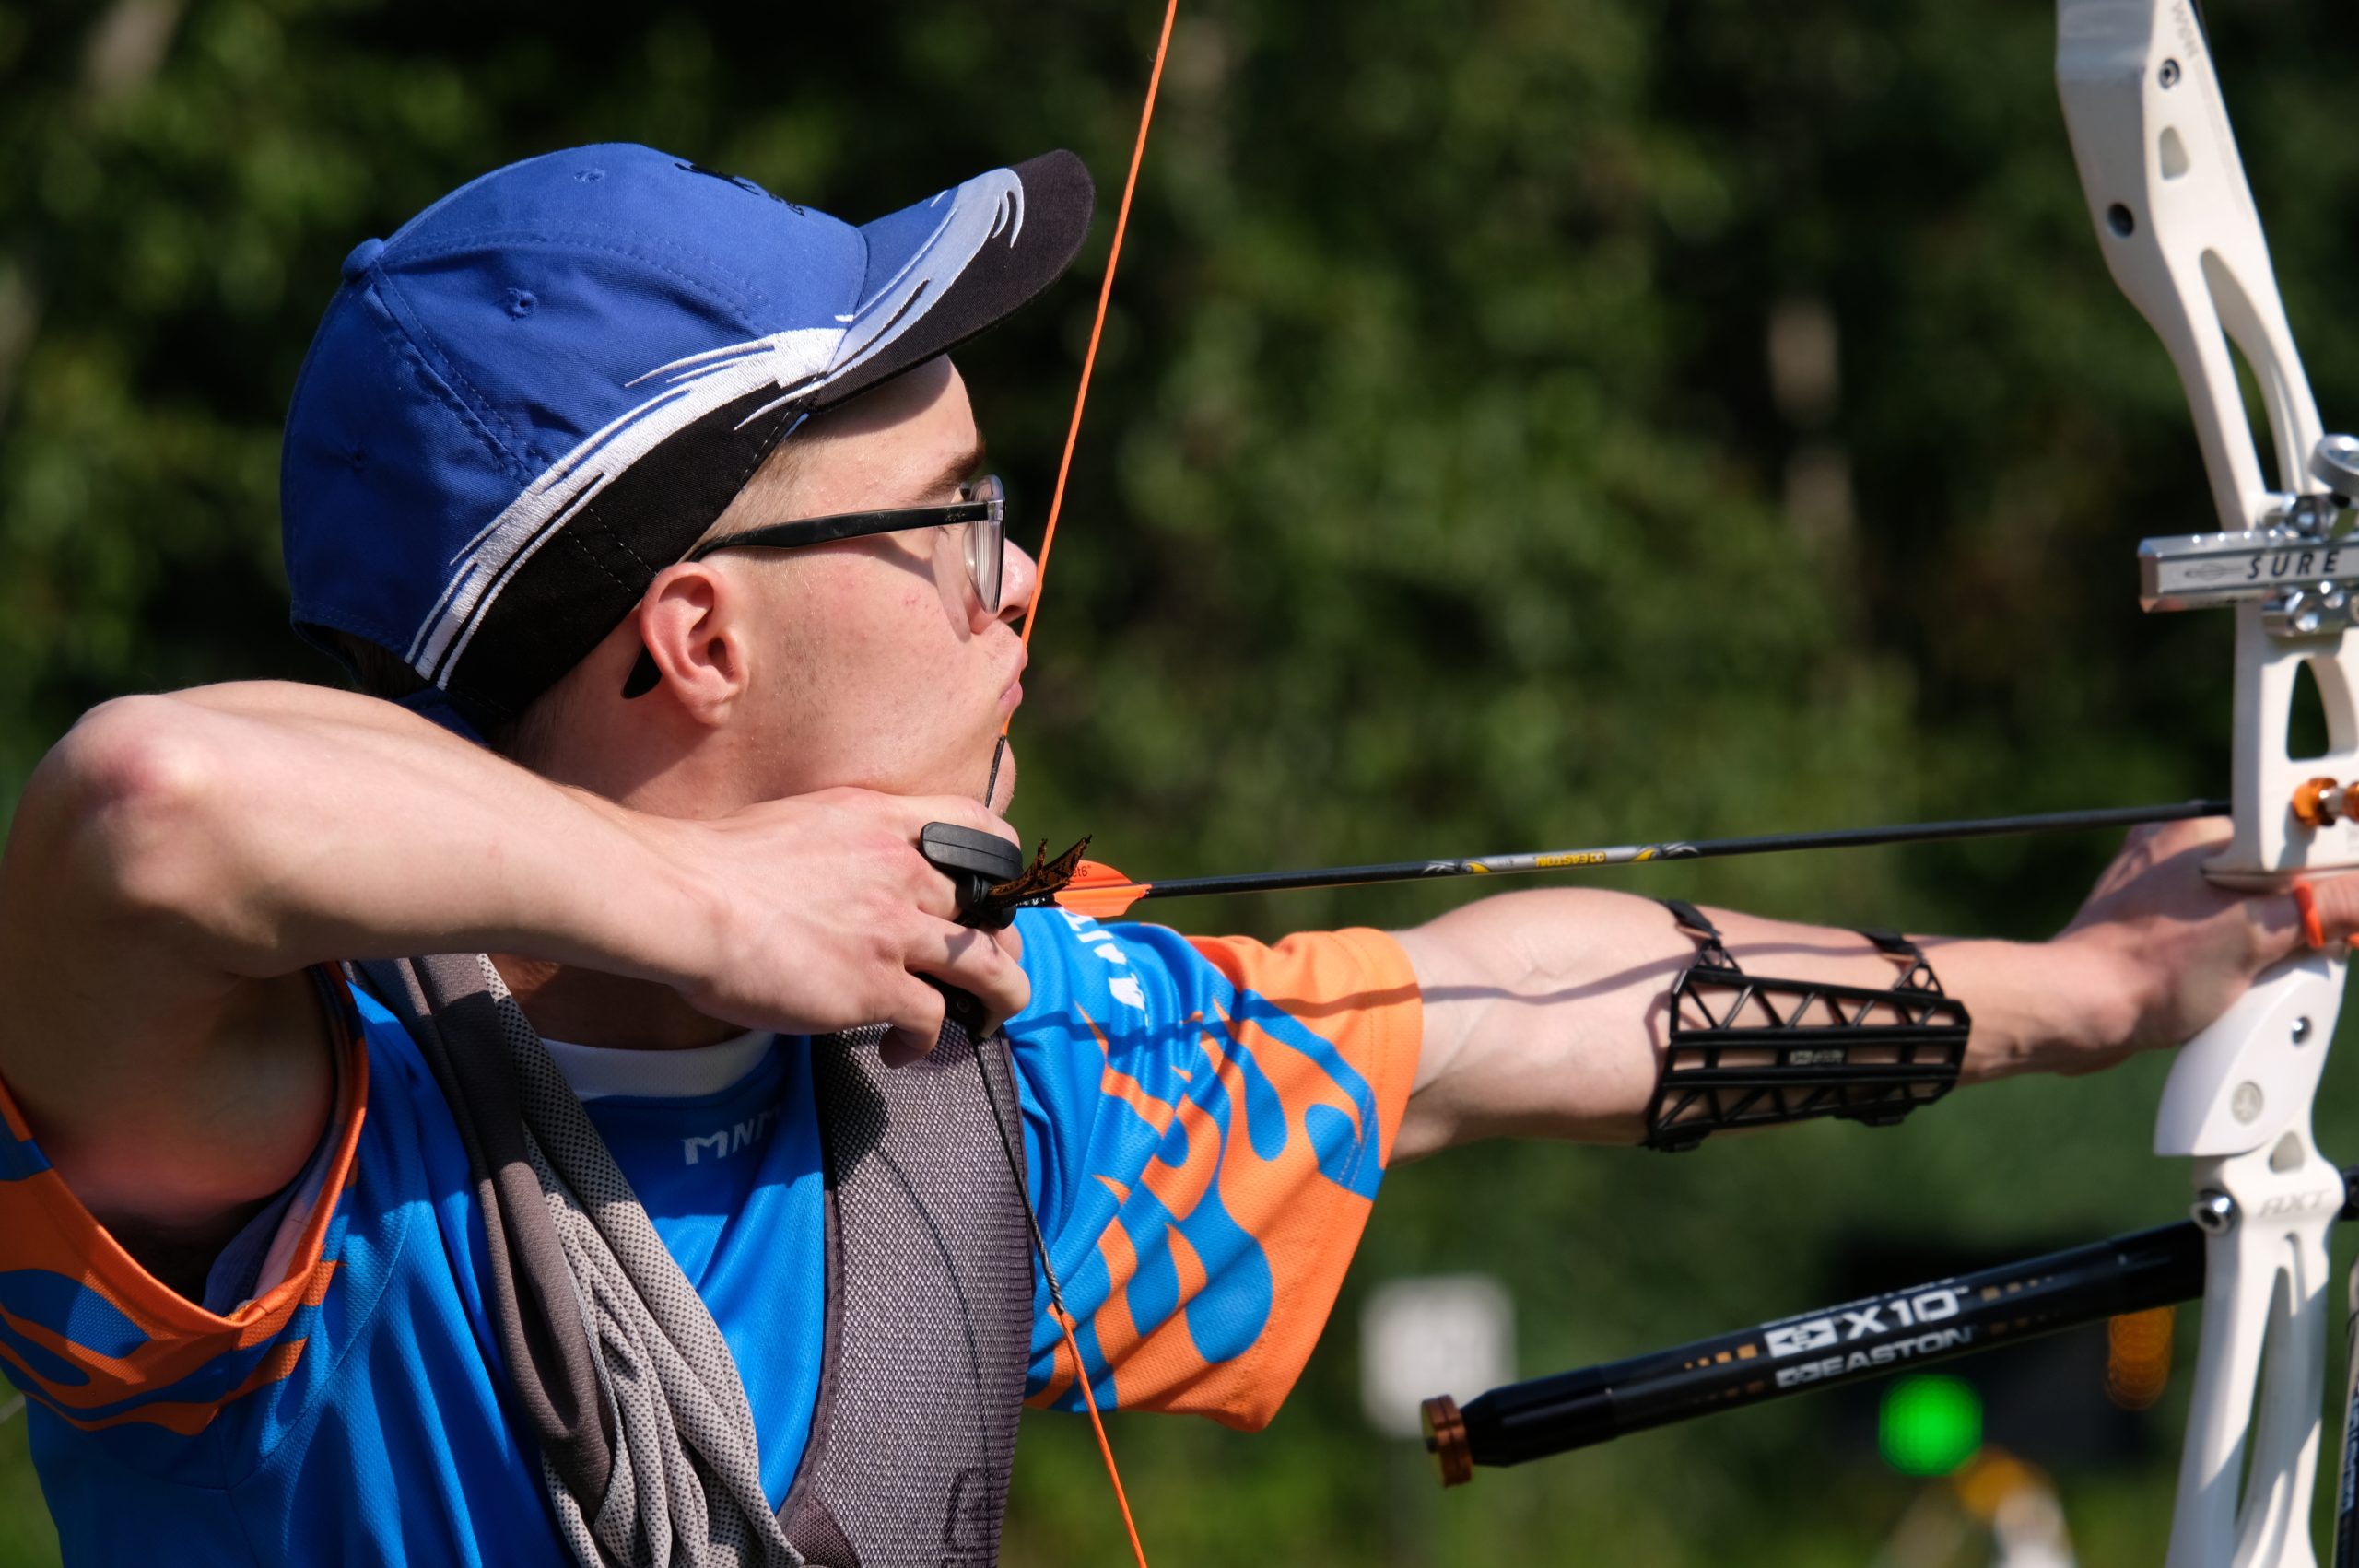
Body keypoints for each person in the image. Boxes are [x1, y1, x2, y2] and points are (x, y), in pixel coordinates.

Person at [0, 143, 2341, 1568]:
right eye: (959, 528)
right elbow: (153, 803)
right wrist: (718, 907)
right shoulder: (289, 1147)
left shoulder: (984, 1072)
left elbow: (1509, 1017)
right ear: (693, 633)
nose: (1020, 588)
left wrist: (2089, 991)